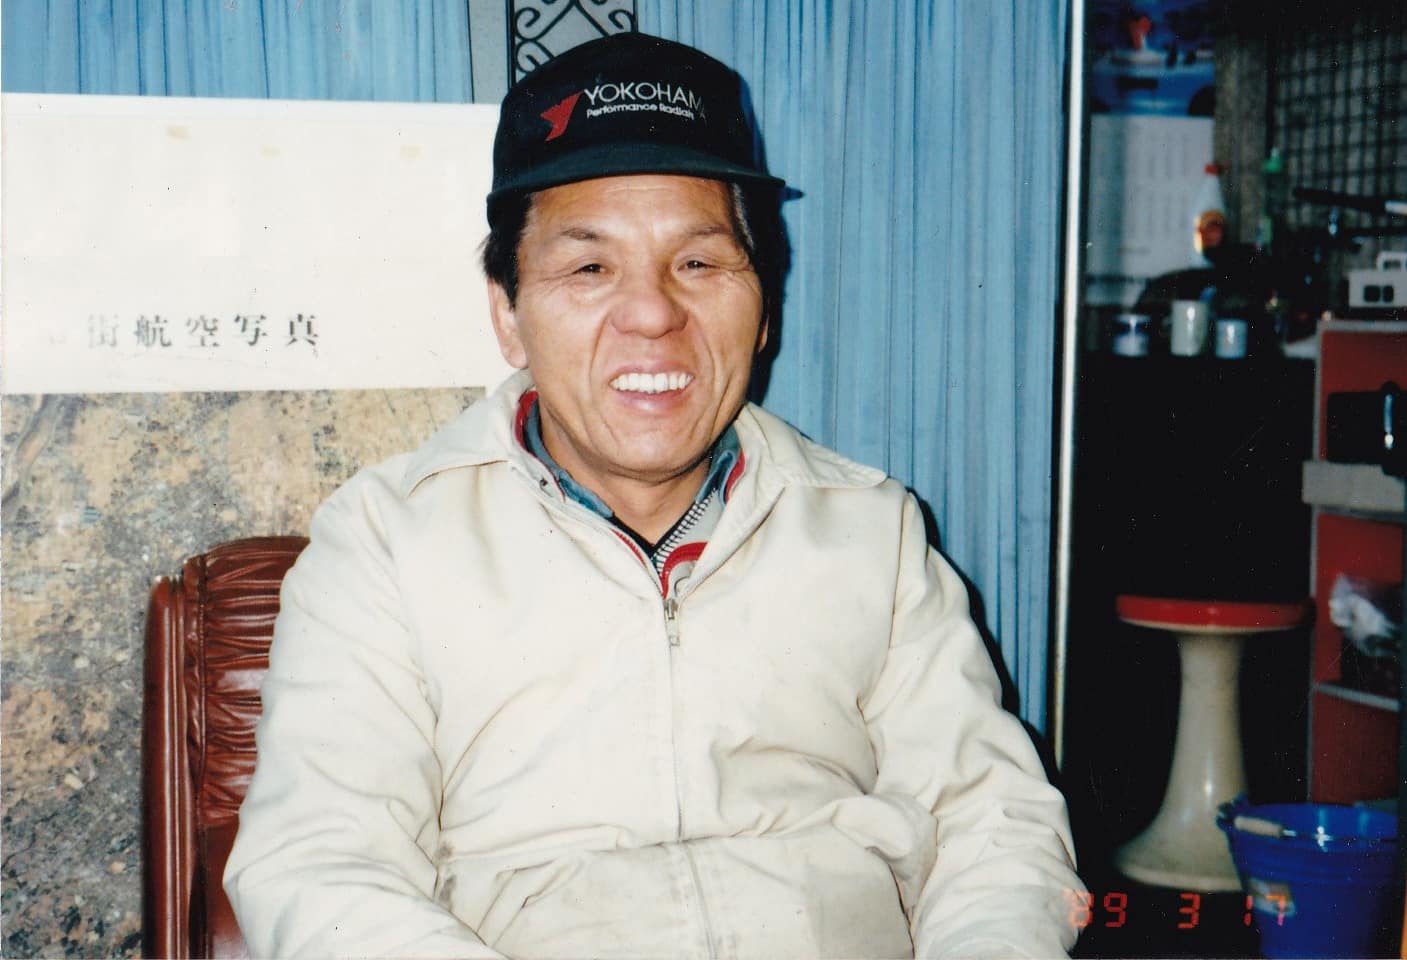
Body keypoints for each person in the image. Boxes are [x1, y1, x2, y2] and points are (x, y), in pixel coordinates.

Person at [224, 31, 1085, 959]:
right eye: (589, 268)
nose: (652, 315)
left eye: (699, 264)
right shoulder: (387, 540)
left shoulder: (871, 532)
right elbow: (322, 868)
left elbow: (996, 827)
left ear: (764, 309)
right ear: (508, 313)